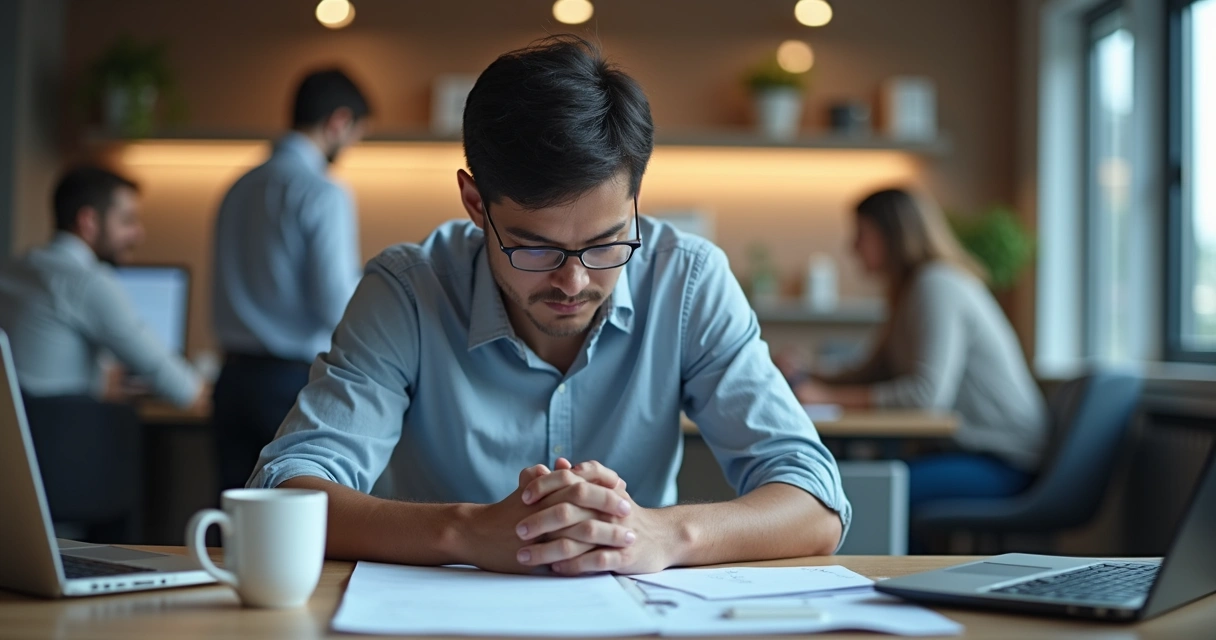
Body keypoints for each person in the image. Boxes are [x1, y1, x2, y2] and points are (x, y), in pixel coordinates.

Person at [249, 36, 849, 576]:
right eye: (535, 248)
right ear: (475, 202)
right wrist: (464, 532)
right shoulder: (408, 290)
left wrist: (663, 534)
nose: (573, 281)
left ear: (636, 198)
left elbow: (816, 503)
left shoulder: (686, 279)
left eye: (606, 243)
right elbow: (284, 492)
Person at [796, 188, 1048, 509]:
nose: (852, 247)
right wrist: (809, 372)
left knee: (869, 495)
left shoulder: (937, 286)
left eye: (862, 234)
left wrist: (828, 397)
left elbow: (925, 396)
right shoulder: (910, 291)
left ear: (893, 235)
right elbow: (873, 372)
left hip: (1003, 460)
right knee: (861, 484)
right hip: (964, 453)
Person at [211, 68, 370, 492]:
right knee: (290, 524)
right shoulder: (322, 190)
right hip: (288, 383)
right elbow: (336, 302)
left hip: (230, 380)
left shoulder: (238, 186)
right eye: (355, 133)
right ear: (338, 121)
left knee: (234, 520)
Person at [0, 166, 205, 408]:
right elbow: (181, 387)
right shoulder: (88, 282)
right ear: (88, 221)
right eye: (127, 220)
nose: (138, 234)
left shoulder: (15, 269)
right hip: (65, 436)